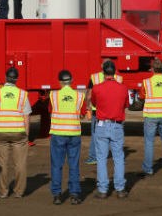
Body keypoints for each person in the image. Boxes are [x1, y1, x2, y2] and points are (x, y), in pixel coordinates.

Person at [0, 66, 32, 198]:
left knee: (2, 163)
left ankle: (2, 191)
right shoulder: (22, 94)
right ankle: (18, 191)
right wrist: (26, 133)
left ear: (5, 78)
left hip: (1, 132)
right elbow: (26, 116)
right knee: (20, 163)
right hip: (19, 133)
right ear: (17, 79)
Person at [89, 59, 129, 199]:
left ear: (103, 72)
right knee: (118, 157)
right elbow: (126, 104)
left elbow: (94, 102)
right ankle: (120, 189)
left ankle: (103, 189)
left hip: (102, 125)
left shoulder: (97, 88)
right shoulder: (123, 88)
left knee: (101, 158)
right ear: (114, 72)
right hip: (117, 125)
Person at [48, 70, 84, 205]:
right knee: (74, 165)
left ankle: (57, 195)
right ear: (72, 80)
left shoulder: (53, 95)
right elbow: (82, 113)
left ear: (60, 81)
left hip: (58, 134)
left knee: (57, 165)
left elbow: (50, 111)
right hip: (74, 134)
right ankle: (74, 194)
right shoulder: (79, 96)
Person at [139, 59, 162, 177]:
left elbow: (141, 95)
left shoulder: (147, 82)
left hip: (151, 115)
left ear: (152, 69)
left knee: (149, 142)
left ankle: (148, 169)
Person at [84, 61, 123, 166]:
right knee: (114, 136)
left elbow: (89, 95)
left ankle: (93, 157)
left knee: (95, 134)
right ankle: (117, 158)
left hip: (97, 110)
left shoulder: (94, 77)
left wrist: (87, 107)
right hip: (114, 111)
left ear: (102, 67)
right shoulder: (119, 78)